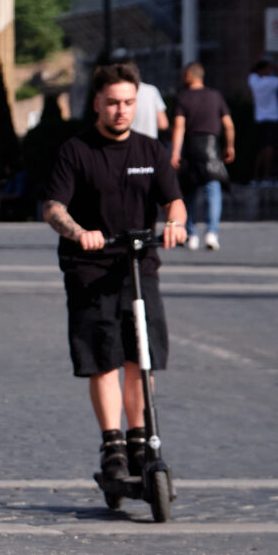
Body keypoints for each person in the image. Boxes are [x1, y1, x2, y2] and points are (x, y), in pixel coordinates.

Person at [43, 61, 187, 486]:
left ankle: (141, 439)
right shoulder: (76, 151)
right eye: (112, 104)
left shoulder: (149, 151)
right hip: (90, 269)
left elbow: (173, 200)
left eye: (128, 103)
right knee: (103, 359)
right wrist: (78, 232)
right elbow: (54, 207)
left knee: (140, 358)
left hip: (139, 267)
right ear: (97, 104)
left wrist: (175, 223)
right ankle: (113, 444)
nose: (121, 111)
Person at [170, 62, 234, 251]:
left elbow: (179, 126)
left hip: (191, 148)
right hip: (211, 148)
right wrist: (230, 146)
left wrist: (175, 152)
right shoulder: (215, 96)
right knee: (213, 191)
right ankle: (212, 232)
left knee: (188, 192)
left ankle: (191, 234)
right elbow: (229, 124)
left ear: (190, 75)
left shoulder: (182, 97)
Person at [247, 60, 278, 185]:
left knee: (261, 149)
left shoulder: (253, 80)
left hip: (259, 118)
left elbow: (252, 73)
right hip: (272, 118)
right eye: (268, 69)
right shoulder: (270, 82)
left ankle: (257, 177)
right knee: (269, 149)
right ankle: (267, 176)